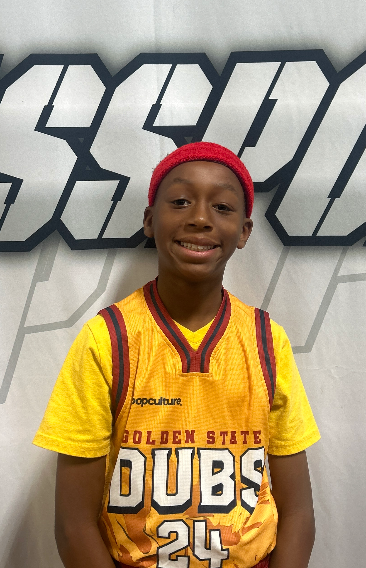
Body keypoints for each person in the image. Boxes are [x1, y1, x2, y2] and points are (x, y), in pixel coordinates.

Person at [33, 142, 320, 568]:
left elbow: (298, 514)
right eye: (181, 201)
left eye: (222, 207)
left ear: (244, 231)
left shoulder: (266, 340)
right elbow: (73, 526)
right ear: (150, 220)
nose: (200, 218)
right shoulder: (107, 339)